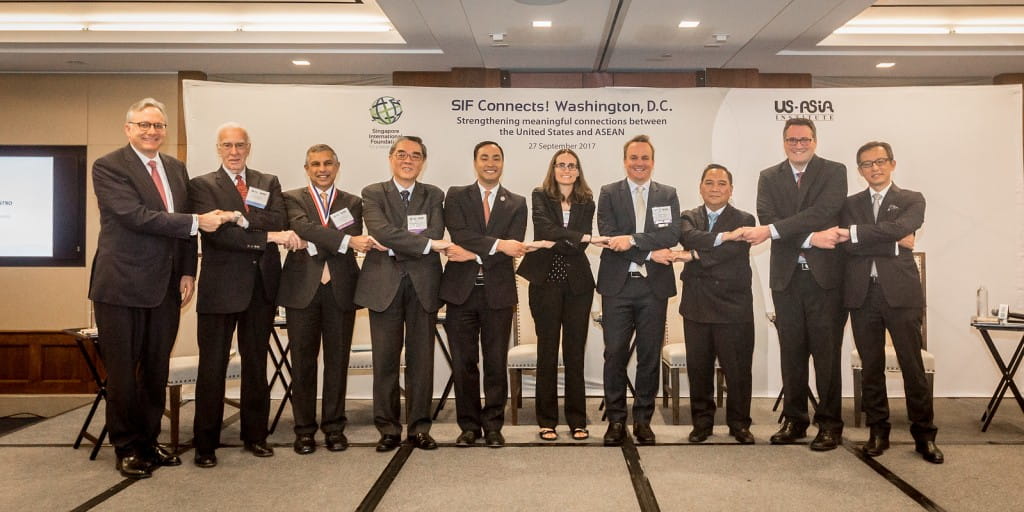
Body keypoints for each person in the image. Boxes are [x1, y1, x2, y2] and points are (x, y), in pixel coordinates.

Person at [90, 97, 229, 479]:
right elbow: (135, 216)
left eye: (159, 126)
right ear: (128, 129)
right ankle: (126, 447)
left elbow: (184, 229)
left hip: (167, 286)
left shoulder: (174, 167)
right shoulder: (108, 166)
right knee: (122, 372)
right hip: (121, 285)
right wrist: (197, 221)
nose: (152, 132)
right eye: (144, 125)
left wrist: (187, 271)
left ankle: (149, 442)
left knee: (155, 369)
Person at [188, 122, 302, 468]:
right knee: (212, 369)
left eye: (240, 145)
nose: (234, 152)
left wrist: (238, 217)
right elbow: (219, 236)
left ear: (248, 147)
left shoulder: (268, 182)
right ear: (218, 149)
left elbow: (278, 219)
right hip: (220, 291)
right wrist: (261, 233)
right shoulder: (202, 185)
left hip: (261, 288)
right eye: (227, 146)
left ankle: (256, 436)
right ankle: (205, 444)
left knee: (256, 367)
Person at [740, 118, 849, 451]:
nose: (797, 144)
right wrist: (813, 238)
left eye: (804, 139)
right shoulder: (768, 177)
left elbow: (825, 210)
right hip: (786, 279)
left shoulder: (834, 171)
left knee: (827, 355)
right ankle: (795, 420)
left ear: (815, 140)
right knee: (792, 353)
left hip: (826, 280)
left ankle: (829, 424)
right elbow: (767, 217)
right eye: (791, 139)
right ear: (783, 141)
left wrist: (782, 231)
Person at [841, 141, 942, 463]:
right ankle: (877, 431)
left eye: (881, 161)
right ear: (860, 171)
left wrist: (860, 234)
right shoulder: (850, 204)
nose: (875, 168)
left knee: (912, 367)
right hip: (862, 294)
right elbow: (847, 246)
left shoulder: (912, 199)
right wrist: (894, 242)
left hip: (901, 294)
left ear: (892, 164)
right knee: (871, 368)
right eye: (867, 164)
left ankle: (924, 435)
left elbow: (903, 228)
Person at [277, 144, 375, 455]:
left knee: (337, 362)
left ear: (337, 166)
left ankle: (334, 428)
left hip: (340, 290)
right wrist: (340, 240)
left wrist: (312, 240)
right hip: (301, 291)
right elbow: (300, 227)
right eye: (316, 164)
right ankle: (304, 430)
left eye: (328, 163)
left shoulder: (353, 201)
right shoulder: (292, 198)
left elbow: (347, 238)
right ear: (306, 168)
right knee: (303, 364)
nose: (322, 169)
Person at [355, 135, 449, 452]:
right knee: (385, 361)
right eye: (401, 154)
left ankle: (420, 427)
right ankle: (389, 429)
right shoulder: (372, 193)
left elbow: (435, 233)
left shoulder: (434, 194)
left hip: (424, 285)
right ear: (391, 158)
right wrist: (418, 244)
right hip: (383, 285)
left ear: (423, 161)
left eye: (415, 155)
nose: (408, 160)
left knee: (421, 360)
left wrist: (397, 243)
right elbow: (379, 230)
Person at [653, 164, 756, 444]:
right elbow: (689, 238)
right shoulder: (687, 217)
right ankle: (702, 422)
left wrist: (694, 257)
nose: (715, 188)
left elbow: (735, 252)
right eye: (709, 183)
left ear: (731, 189)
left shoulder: (745, 219)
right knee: (699, 369)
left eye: (721, 183)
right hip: (697, 305)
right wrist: (716, 243)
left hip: (734, 307)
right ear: (700, 187)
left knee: (737, 370)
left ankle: (739, 423)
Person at [440, 141, 528, 448]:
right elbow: (459, 233)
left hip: (498, 294)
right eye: (484, 157)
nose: (490, 162)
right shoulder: (455, 195)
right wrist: (496, 246)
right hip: (460, 293)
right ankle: (468, 426)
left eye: (496, 158)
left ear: (503, 163)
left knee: (494, 362)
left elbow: (514, 245)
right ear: (475, 162)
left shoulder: (517, 202)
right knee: (463, 363)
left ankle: (492, 425)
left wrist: (474, 255)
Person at [596, 135, 680, 447]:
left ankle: (643, 420)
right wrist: (647, 251)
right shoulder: (608, 193)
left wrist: (631, 241)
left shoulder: (667, 194)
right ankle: (616, 421)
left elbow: (671, 233)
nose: (639, 163)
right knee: (614, 353)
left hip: (653, 288)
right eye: (634, 158)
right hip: (617, 287)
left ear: (652, 161)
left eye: (645, 158)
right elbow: (608, 236)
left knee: (648, 356)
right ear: (625, 161)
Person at [517, 148, 605, 441]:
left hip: (577, 286)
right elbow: (545, 227)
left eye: (572, 165)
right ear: (553, 169)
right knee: (547, 351)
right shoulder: (540, 195)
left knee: (574, 353)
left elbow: (569, 242)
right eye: (561, 165)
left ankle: (577, 420)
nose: (566, 170)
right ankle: (547, 420)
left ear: (579, 171)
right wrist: (576, 237)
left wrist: (556, 241)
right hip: (545, 283)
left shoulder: (587, 201)